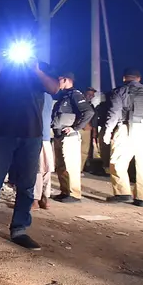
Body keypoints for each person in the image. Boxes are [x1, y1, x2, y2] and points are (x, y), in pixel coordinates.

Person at [0, 54, 59, 250]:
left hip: (31, 136)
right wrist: (0, 65)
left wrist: (35, 69)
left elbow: (54, 88)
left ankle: (19, 229)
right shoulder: (3, 71)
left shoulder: (38, 71)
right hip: (3, 135)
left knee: (27, 185)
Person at [102, 68, 143, 207]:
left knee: (118, 162)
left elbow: (114, 112)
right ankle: (142, 199)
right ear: (139, 78)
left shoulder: (120, 91)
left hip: (126, 128)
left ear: (124, 78)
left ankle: (123, 193)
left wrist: (108, 131)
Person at [50, 73, 94, 203]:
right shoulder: (64, 95)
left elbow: (88, 112)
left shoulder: (75, 94)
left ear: (65, 80)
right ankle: (65, 191)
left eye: (59, 80)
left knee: (71, 166)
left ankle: (74, 194)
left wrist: (75, 127)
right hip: (59, 135)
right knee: (61, 166)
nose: (57, 82)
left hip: (69, 136)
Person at [34, 93, 54, 209]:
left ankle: (35, 199)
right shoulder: (49, 96)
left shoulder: (33, 94)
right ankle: (45, 198)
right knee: (47, 169)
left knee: (36, 169)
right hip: (46, 136)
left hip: (35, 136)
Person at [81, 87, 97, 169]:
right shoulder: (79, 102)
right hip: (80, 128)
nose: (91, 96)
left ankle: (80, 169)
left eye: (92, 95)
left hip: (87, 130)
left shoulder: (91, 106)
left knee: (84, 151)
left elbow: (93, 120)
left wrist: (94, 131)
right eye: (89, 94)